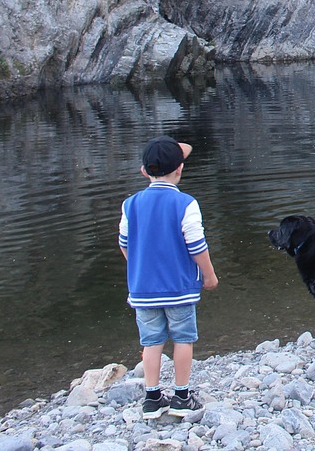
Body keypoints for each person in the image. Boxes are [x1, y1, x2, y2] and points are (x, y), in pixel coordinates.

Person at [119, 135, 219, 419]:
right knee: (183, 339)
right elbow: (196, 245)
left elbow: (124, 243)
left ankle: (151, 399)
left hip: (143, 290)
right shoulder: (186, 203)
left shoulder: (130, 204)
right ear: (179, 170)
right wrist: (209, 276)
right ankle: (182, 396)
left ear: (143, 171)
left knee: (151, 343)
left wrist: (141, 267)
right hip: (179, 288)